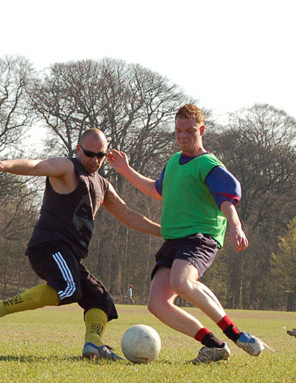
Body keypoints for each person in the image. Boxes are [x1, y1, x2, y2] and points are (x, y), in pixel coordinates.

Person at [0, 128, 161, 360]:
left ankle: (93, 344)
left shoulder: (103, 184)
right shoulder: (67, 168)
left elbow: (128, 215)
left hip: (69, 254)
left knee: (100, 299)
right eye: (90, 154)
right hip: (48, 246)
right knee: (68, 289)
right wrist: (0, 165)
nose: (95, 160)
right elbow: (35, 166)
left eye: (101, 155)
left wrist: (165, 232)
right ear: (78, 149)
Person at [107, 104, 268, 363]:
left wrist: (236, 226)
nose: (183, 136)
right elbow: (158, 190)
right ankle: (214, 346)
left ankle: (237, 335)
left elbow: (227, 199)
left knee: (181, 282)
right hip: (174, 240)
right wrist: (125, 170)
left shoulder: (208, 165)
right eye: (178, 131)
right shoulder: (173, 162)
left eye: (190, 131)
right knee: (157, 304)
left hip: (200, 237)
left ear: (201, 130)